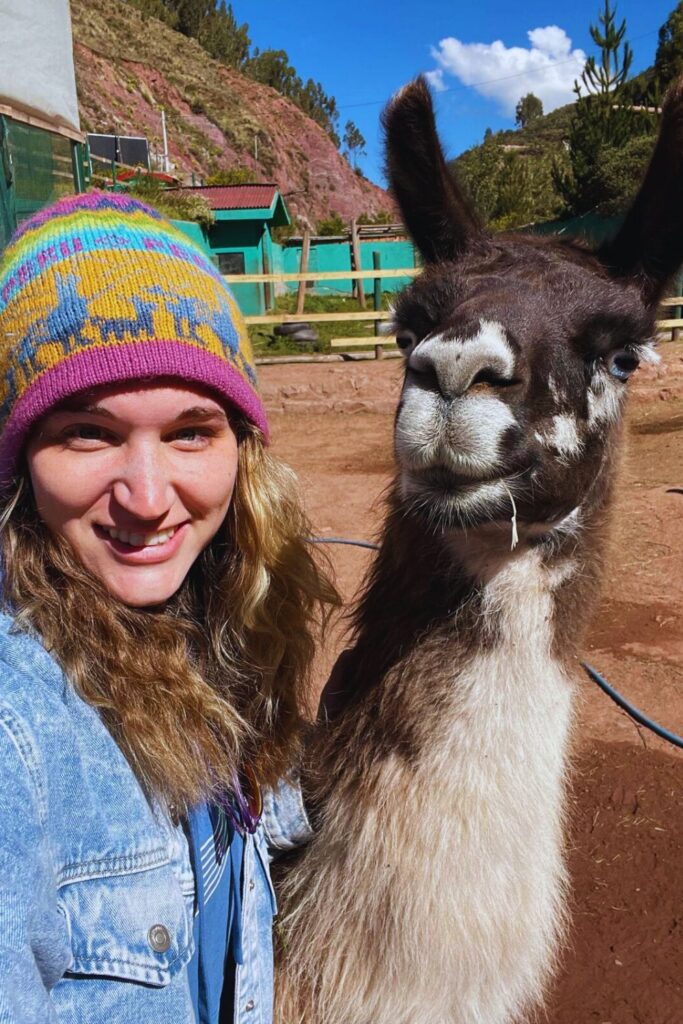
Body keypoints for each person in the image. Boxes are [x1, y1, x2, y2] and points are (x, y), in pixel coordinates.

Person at [0, 191, 338, 1023]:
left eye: (191, 432)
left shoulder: (218, 631)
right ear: (19, 460)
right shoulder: (17, 738)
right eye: (88, 432)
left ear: (241, 449)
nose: (148, 498)